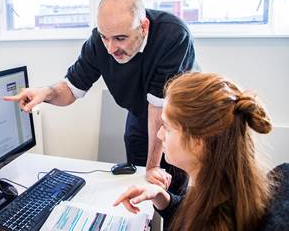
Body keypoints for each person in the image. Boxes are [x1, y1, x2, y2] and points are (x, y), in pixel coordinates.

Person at [4, 0, 196, 192]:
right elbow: (71, 88)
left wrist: (154, 166)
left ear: (144, 27)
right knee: (141, 181)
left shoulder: (173, 35)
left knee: (169, 184)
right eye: (105, 37)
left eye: (120, 38)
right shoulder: (99, 41)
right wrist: (46, 93)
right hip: (140, 113)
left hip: (175, 118)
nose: (111, 49)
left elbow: (158, 108)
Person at [113, 72, 274, 231]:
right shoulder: (222, 193)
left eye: (167, 127)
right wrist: (163, 198)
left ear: (198, 142)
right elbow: (193, 214)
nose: (159, 134)